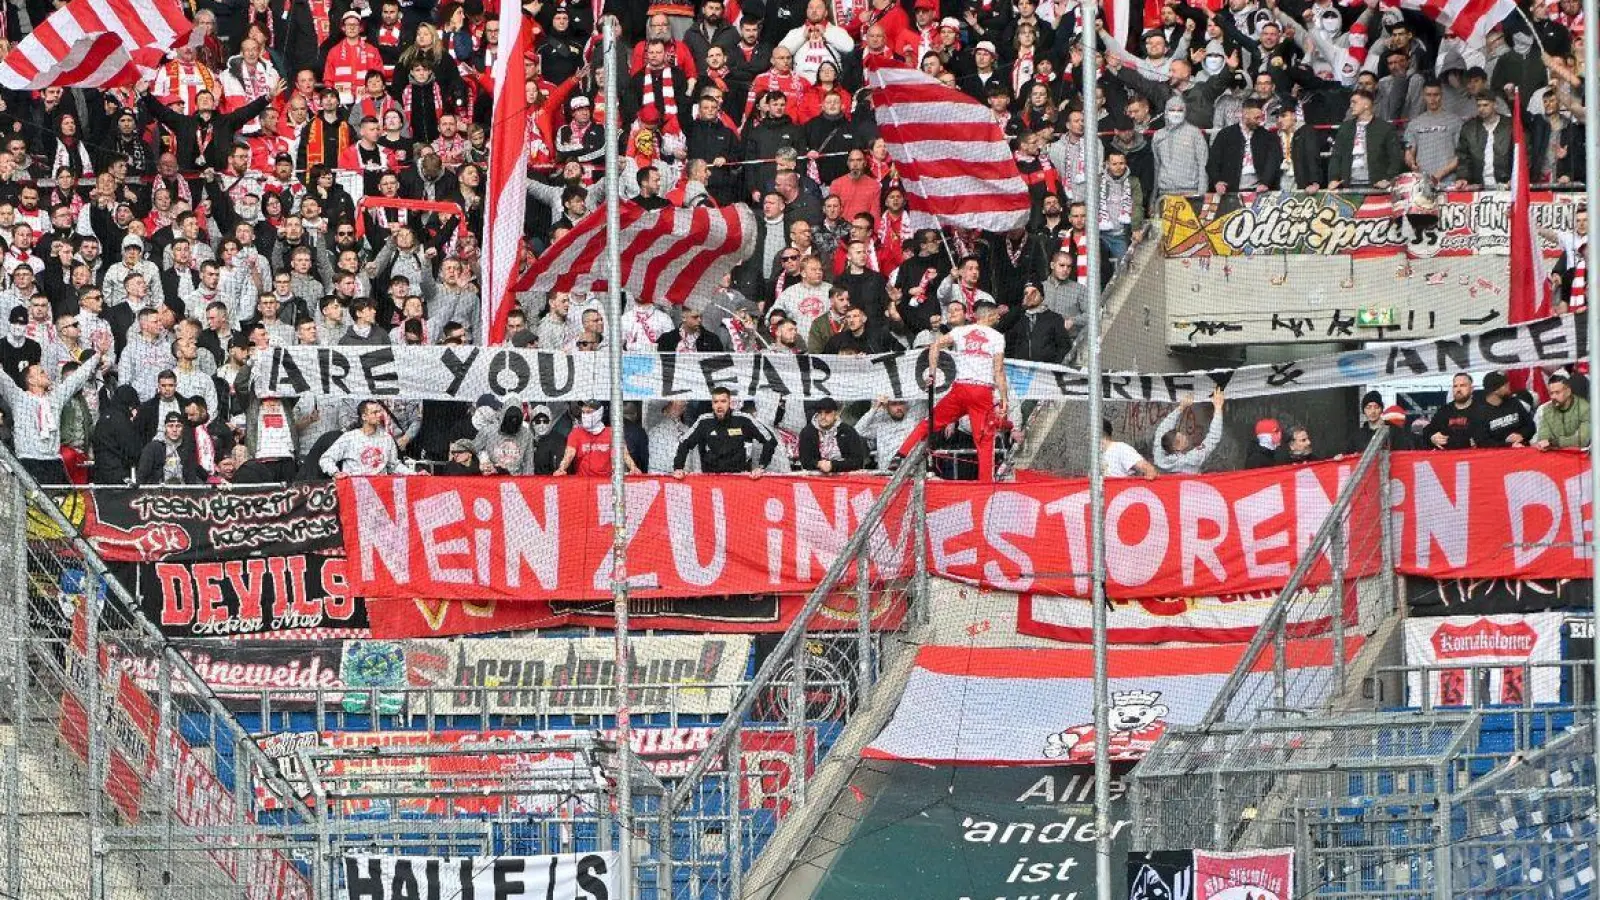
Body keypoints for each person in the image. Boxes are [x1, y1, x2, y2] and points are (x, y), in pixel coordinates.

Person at [892, 298, 1009, 482]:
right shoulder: (997, 337)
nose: (998, 318)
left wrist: (931, 371)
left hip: (960, 389)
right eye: (995, 315)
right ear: (988, 315)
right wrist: (1004, 399)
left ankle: (900, 455)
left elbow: (935, 345)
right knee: (985, 441)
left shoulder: (961, 331)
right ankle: (985, 486)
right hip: (981, 391)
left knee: (931, 421)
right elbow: (999, 371)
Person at [0, 348, 103, 484]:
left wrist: (97, 356)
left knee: (60, 502)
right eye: (42, 373)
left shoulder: (55, 398)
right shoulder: (19, 398)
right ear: (31, 380)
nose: (46, 374)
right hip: (28, 460)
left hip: (54, 461)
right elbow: (3, 379)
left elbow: (76, 379)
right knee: (31, 504)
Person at [674, 386, 777, 477]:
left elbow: (770, 440)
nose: (719, 405)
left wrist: (761, 467)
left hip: (739, 478)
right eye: (716, 402)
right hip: (710, 478)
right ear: (712, 404)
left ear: (729, 402)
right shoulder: (704, 421)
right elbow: (684, 442)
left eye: (723, 401)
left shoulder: (743, 419)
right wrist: (678, 468)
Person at [322, 400, 414, 475]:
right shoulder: (349, 438)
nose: (379, 415)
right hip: (353, 490)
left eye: (379, 411)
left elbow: (394, 465)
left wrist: (413, 474)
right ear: (364, 417)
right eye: (374, 412)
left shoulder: (387, 438)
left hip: (380, 490)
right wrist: (336, 473)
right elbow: (326, 459)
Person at [556, 400, 642, 476]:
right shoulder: (576, 433)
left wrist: (633, 467)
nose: (585, 415)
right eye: (583, 412)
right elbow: (569, 454)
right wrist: (561, 469)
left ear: (598, 413)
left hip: (606, 483)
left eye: (589, 412)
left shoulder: (612, 433)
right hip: (583, 482)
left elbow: (624, 453)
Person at [1153, 388, 1225, 474]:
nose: (1185, 436)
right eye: (1182, 438)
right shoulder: (1190, 459)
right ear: (1178, 448)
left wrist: (1181, 407)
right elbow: (1212, 439)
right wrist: (1218, 408)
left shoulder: (1159, 457)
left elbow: (1162, 429)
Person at [798, 398, 868, 474]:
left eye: (827, 412)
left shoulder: (848, 431)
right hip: (816, 477)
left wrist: (833, 465)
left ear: (836, 414)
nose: (823, 416)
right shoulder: (807, 432)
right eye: (819, 413)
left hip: (845, 476)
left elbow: (857, 461)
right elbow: (805, 461)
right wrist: (818, 464)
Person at [137, 412, 204, 484]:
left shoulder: (187, 448)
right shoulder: (153, 448)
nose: (174, 430)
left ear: (183, 428)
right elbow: (142, 475)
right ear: (165, 428)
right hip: (158, 491)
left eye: (178, 426)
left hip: (183, 491)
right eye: (170, 426)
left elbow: (193, 474)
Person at [1423, 373, 1485, 449]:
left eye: (1463, 385)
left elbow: (1484, 437)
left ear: (1471, 389)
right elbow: (1427, 431)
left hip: (1475, 457)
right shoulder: (1444, 411)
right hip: (1448, 458)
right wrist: (1432, 438)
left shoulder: (1481, 410)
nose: (1458, 389)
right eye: (1455, 386)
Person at [1479, 372, 1536, 447]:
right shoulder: (1481, 412)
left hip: (1522, 448)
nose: (1509, 386)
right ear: (1495, 390)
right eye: (1505, 385)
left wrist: (1521, 435)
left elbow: (1531, 426)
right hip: (1499, 454)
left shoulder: (1514, 402)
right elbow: (1483, 441)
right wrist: (1507, 444)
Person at [1533, 374, 1590, 449]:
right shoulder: (1547, 409)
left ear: (1568, 391)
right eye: (1551, 393)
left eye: (1557, 392)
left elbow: (1582, 440)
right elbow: (1543, 437)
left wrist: (1553, 443)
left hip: (1580, 456)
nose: (1553, 397)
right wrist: (1543, 443)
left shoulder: (1584, 408)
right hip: (1556, 456)